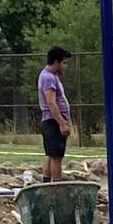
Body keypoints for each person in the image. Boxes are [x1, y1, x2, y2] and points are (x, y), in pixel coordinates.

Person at [37, 46, 71, 182]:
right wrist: (62, 123)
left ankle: (46, 184)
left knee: (51, 155)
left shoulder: (51, 77)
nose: (66, 66)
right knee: (56, 157)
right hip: (53, 122)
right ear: (56, 62)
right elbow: (51, 102)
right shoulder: (48, 78)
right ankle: (56, 186)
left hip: (52, 121)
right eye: (64, 63)